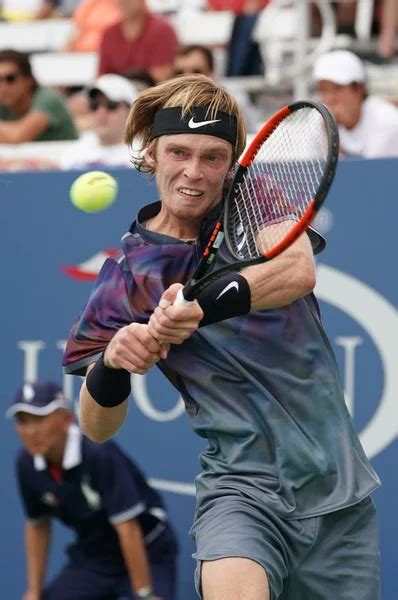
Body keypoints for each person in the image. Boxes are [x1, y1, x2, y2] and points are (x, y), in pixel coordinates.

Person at [63, 74, 381, 600]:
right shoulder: (126, 276)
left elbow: (296, 269)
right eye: (179, 153)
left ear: (232, 162)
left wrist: (198, 307)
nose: (194, 172)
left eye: (213, 157)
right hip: (241, 490)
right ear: (152, 155)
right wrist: (113, 365)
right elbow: (95, 427)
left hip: (339, 493)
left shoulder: (253, 199)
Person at [7, 379, 178, 600]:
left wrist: (144, 594)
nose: (30, 431)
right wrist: (34, 591)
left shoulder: (98, 453)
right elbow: (38, 525)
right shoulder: (26, 463)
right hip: (95, 557)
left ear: (67, 419)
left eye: (39, 419)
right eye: (23, 421)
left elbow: (128, 528)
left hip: (148, 549)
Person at [313, 49, 398, 158]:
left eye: (337, 89)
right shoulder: (316, 123)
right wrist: (326, 130)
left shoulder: (387, 122)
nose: (329, 98)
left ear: (359, 90)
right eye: (323, 90)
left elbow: (370, 172)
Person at [173, 44, 260, 132]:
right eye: (180, 73)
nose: (188, 79)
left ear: (212, 74)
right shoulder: (168, 103)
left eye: (196, 72)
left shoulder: (233, 99)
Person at [60, 74, 139, 169]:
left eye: (111, 105)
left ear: (131, 111)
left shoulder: (145, 156)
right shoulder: (74, 153)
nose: (101, 113)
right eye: (94, 105)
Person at [0, 50, 78, 143]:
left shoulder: (47, 98)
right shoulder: (4, 101)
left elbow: (17, 136)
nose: (3, 87)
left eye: (10, 79)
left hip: (64, 155)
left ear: (28, 79)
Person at [98, 0, 179, 84]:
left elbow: (162, 79)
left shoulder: (162, 30)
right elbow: (102, 77)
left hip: (151, 93)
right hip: (115, 92)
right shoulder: (109, 33)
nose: (123, 1)